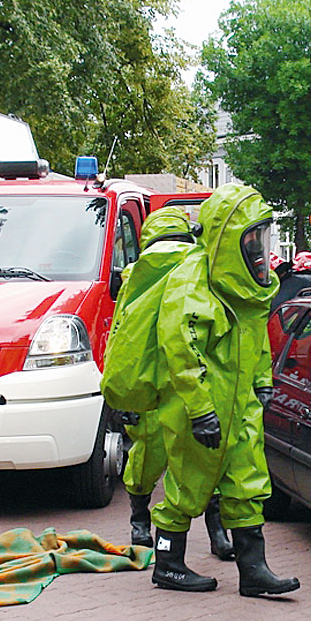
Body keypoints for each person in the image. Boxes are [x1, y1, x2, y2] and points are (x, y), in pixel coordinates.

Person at [149, 183, 300, 597]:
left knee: (247, 484)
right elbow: (181, 352)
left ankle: (254, 571)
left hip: (241, 406)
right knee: (186, 487)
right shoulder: (191, 286)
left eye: (261, 237)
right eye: (252, 238)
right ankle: (167, 564)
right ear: (226, 237)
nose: (259, 250)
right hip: (199, 409)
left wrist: (263, 384)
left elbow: (256, 343)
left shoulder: (246, 290)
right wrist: (199, 409)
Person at [102, 207, 234, 559]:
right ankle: (218, 534)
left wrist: (121, 395)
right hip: (194, 378)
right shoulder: (200, 265)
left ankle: (140, 523)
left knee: (146, 455)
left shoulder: (135, 275)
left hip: (150, 381)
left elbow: (121, 338)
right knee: (207, 454)